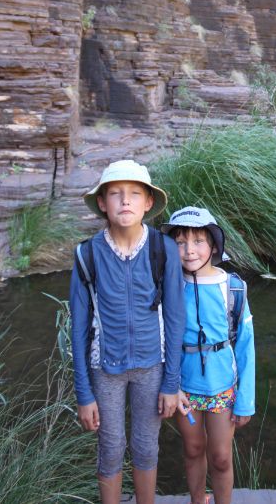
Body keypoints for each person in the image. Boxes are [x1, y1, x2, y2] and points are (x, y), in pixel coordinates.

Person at [69, 159, 185, 504]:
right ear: (102, 203)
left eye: (135, 193)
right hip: (104, 369)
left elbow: (176, 318)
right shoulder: (87, 254)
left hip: (152, 365)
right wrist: (83, 393)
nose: (125, 201)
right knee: (110, 447)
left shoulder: (162, 249)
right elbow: (78, 328)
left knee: (147, 446)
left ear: (148, 202)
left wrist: (171, 383)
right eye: (116, 194)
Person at [160, 207, 255, 504]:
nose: (189, 251)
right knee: (192, 449)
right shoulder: (168, 286)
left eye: (199, 241)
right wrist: (171, 386)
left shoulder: (234, 287)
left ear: (214, 245)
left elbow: (246, 346)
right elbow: (161, 342)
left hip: (222, 386)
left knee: (222, 457)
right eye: (180, 242)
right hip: (184, 387)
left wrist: (246, 400)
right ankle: (198, 499)